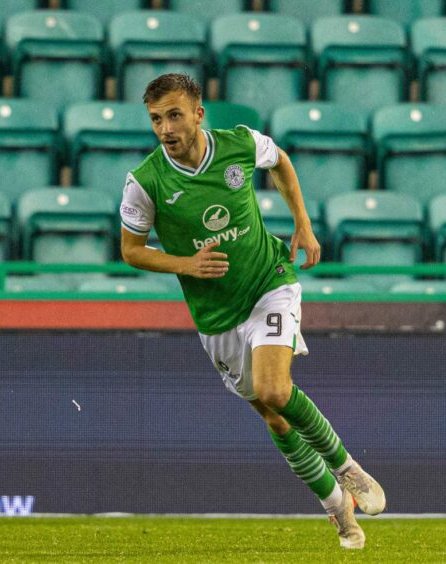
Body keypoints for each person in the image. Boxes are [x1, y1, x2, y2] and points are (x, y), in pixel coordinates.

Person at [119, 74, 385, 549]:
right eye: (156, 119)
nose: (165, 128)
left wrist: (302, 223)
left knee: (274, 388)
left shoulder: (240, 144)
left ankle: (349, 470)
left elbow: (280, 161)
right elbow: (131, 250)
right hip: (216, 318)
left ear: (199, 114)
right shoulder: (145, 182)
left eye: (174, 115)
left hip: (269, 284)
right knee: (274, 417)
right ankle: (339, 512)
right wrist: (185, 264)